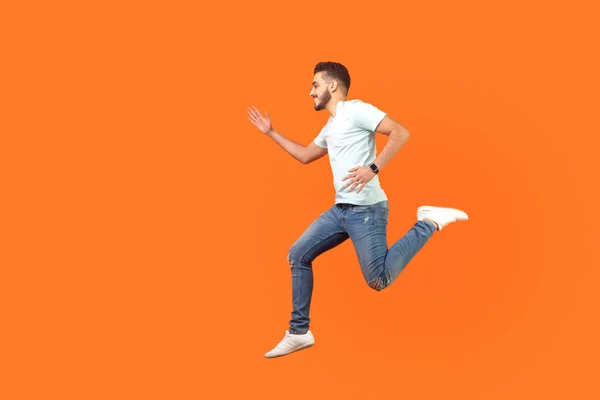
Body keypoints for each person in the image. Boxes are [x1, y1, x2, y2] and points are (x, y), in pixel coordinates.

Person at [247, 61, 468, 358]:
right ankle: (299, 331)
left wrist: (373, 168)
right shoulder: (331, 125)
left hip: (367, 210)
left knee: (378, 279)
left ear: (332, 86)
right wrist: (270, 132)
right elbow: (304, 155)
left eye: (315, 84)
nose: (311, 91)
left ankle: (428, 221)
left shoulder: (357, 110)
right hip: (340, 211)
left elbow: (400, 132)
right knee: (297, 254)